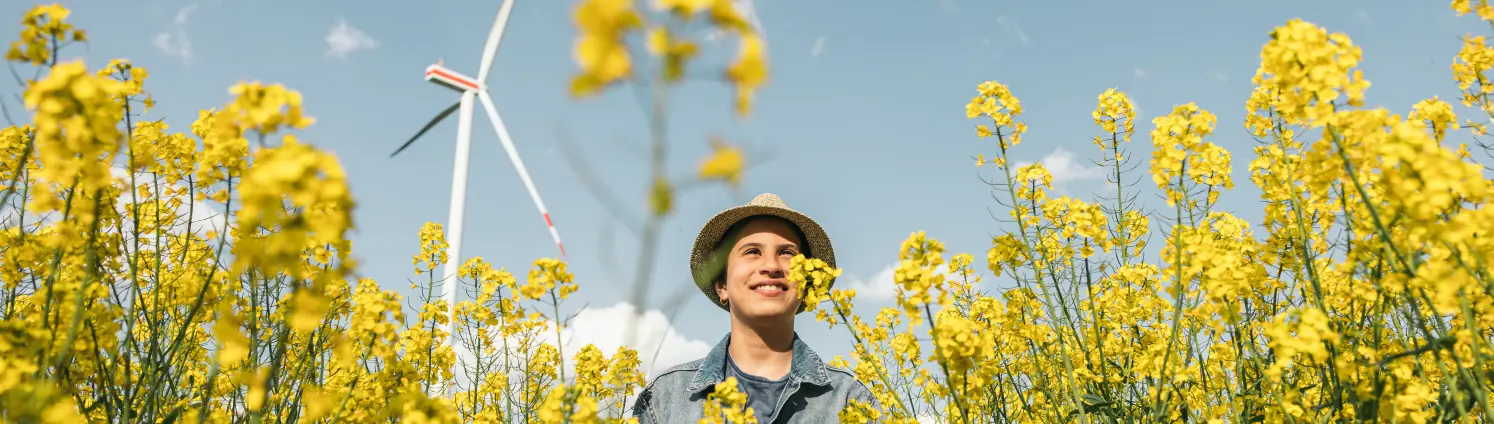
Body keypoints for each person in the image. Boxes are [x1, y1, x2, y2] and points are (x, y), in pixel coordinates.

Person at [630, 193, 879, 423]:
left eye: (787, 253)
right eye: (752, 251)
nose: (771, 266)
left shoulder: (850, 400)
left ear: (805, 288)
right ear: (721, 285)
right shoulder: (665, 399)